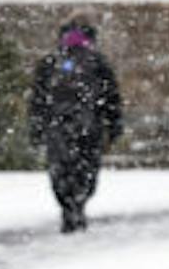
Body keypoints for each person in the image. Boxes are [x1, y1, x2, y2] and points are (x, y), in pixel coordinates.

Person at [28, 18, 124, 233]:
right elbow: (112, 99)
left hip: (57, 127)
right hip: (89, 126)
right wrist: (114, 125)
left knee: (61, 169)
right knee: (86, 168)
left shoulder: (50, 63)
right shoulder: (98, 63)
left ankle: (68, 206)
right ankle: (79, 203)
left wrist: (36, 128)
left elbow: (37, 99)